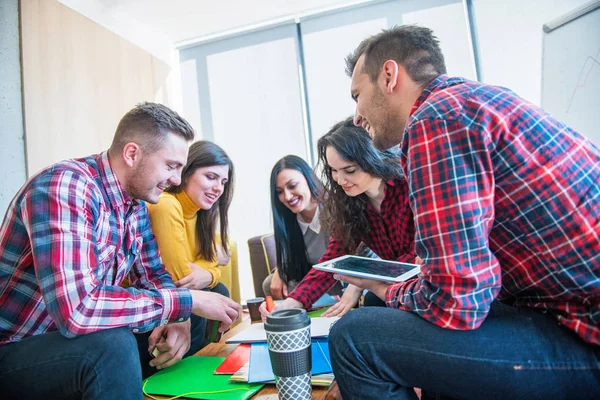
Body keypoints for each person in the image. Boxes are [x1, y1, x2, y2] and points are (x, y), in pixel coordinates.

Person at [328, 25, 600, 400]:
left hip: (584, 335)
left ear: (389, 76)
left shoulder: (435, 120)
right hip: (567, 313)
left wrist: (387, 288)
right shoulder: (482, 99)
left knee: (353, 338)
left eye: (357, 95)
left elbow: (457, 302)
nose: (357, 116)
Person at [0, 103, 241, 400]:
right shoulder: (65, 186)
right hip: (17, 348)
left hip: (75, 339)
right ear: (131, 154)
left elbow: (154, 275)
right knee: (113, 343)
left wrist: (179, 317)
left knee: (193, 313)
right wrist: (184, 301)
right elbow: (78, 311)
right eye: (171, 166)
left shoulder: (136, 205)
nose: (177, 180)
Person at [260, 118, 416, 319]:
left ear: (373, 159)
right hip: (390, 287)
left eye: (349, 171)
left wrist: (365, 278)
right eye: (333, 171)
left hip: (424, 288)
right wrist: (292, 303)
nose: (340, 180)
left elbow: (422, 256)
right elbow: (332, 261)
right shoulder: (350, 206)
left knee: (371, 304)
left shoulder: (411, 188)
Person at [147, 140, 234, 300]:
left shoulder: (202, 214)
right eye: (211, 177)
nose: (219, 188)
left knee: (219, 291)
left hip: (172, 296)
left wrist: (210, 275)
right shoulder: (165, 205)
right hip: (147, 299)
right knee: (202, 296)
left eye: (223, 182)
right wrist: (213, 269)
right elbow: (181, 281)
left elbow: (225, 254)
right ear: (186, 174)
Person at [262, 154, 343, 301]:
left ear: (308, 180)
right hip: (315, 281)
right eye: (279, 191)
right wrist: (280, 271)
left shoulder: (335, 210)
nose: (287, 196)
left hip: (341, 280)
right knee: (271, 284)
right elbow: (290, 260)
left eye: (292, 186)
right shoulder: (290, 219)